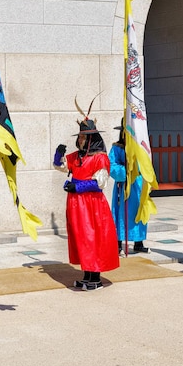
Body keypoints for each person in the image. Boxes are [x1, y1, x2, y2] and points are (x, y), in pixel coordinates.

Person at [53, 106, 119, 291]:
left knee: (93, 238)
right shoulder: (76, 157)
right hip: (76, 205)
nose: (80, 140)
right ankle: (86, 275)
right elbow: (60, 166)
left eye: (83, 137)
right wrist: (58, 154)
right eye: (79, 137)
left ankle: (95, 278)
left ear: (91, 139)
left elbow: (100, 183)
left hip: (92, 205)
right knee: (81, 238)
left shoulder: (100, 158)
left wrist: (78, 186)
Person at [109, 118, 150, 256]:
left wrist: (135, 168)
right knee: (120, 213)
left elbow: (145, 164)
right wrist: (124, 170)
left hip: (137, 185)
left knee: (138, 212)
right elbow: (111, 165)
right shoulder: (116, 147)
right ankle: (117, 244)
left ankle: (139, 242)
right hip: (123, 185)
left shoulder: (140, 147)